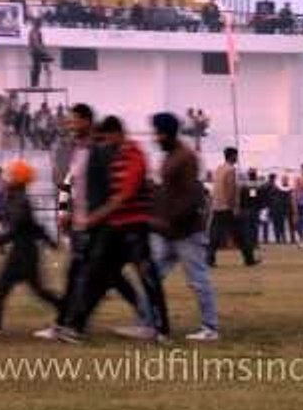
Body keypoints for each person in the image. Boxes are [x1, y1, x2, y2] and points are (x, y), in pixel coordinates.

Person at [34, 104, 152, 343]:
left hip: (99, 225)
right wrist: (65, 211)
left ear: (87, 121)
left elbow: (111, 187)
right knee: (97, 276)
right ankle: (68, 324)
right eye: (69, 121)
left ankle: (70, 324)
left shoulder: (101, 149)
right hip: (82, 225)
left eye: (74, 121)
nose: (70, 125)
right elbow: (70, 184)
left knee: (92, 276)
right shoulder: (77, 150)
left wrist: (99, 216)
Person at [62, 116, 170, 342]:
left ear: (117, 134)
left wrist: (95, 217)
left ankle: (161, 329)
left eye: (106, 138)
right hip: (114, 227)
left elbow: (125, 194)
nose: (103, 143)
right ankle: (76, 327)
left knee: (147, 276)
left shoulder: (133, 154)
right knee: (98, 276)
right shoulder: (110, 155)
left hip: (134, 227)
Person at [142, 112, 219, 340]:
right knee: (152, 276)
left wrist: (169, 219)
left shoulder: (186, 157)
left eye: (157, 132)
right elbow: (166, 192)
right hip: (167, 232)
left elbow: (193, 195)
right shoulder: (169, 156)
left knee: (198, 280)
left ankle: (210, 328)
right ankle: (146, 323)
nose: (154, 137)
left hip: (186, 232)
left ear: (166, 133)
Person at [0, 160, 63, 338]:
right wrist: (50, 241)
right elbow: (35, 226)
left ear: (18, 179)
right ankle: (67, 310)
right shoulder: (16, 197)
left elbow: (15, 230)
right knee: (38, 290)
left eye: (10, 176)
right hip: (26, 251)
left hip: (22, 253)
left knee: (2, 286)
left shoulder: (20, 200)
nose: (7, 179)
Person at [207, 147, 257, 267]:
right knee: (239, 234)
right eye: (236, 155)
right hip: (227, 207)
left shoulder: (219, 169)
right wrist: (234, 207)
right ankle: (249, 259)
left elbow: (216, 188)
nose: (237, 158)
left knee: (215, 234)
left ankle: (209, 259)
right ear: (232, 156)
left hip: (216, 205)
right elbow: (230, 190)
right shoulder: (230, 170)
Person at [28, 17, 53, 89]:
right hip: (36, 51)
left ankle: (47, 69)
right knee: (36, 67)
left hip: (38, 50)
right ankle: (34, 84)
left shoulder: (38, 31)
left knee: (38, 67)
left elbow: (41, 43)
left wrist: (45, 51)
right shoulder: (33, 32)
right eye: (40, 24)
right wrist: (43, 51)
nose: (41, 25)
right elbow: (35, 43)